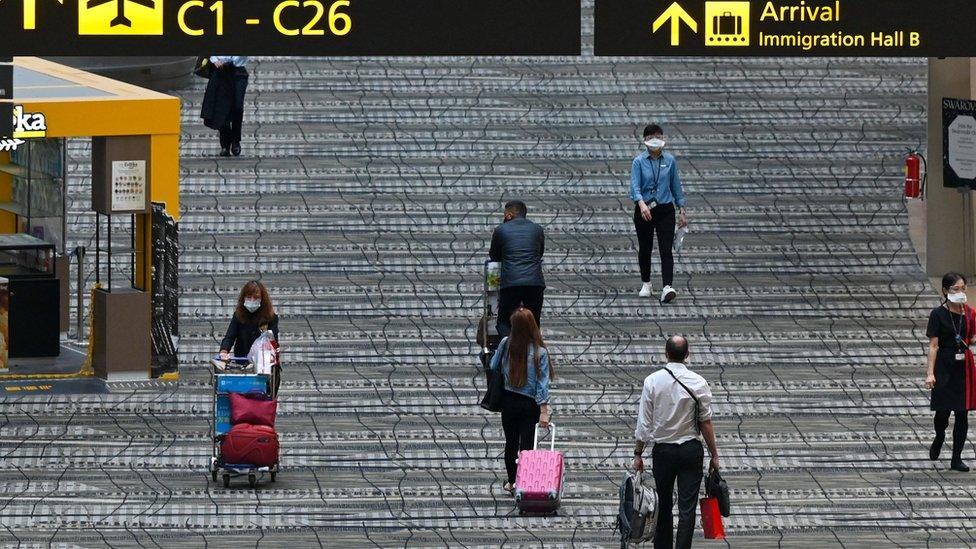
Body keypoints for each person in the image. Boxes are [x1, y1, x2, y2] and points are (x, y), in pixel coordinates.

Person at [632, 336, 719, 549]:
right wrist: (714, 455)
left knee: (663, 503)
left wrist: (638, 453)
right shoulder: (698, 382)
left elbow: (644, 423)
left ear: (666, 353)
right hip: (691, 450)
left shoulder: (652, 381)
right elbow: (705, 422)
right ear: (687, 355)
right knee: (687, 508)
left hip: (664, 451)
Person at [489, 307, 553, 494]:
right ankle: (524, 482)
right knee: (527, 445)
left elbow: (493, 365)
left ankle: (511, 481)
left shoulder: (505, 343)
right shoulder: (540, 352)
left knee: (511, 442)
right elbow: (542, 384)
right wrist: (543, 411)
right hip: (529, 404)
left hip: (508, 401)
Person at [630, 124, 688, 303]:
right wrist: (641, 204)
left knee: (666, 248)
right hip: (645, 209)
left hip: (665, 209)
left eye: (659, 136)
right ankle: (646, 283)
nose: (656, 139)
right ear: (646, 140)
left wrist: (681, 209)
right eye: (652, 136)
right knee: (645, 247)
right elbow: (635, 187)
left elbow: (675, 185)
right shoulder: (639, 161)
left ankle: (667, 287)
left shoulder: (669, 160)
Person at [925, 272, 976, 472]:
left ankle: (956, 458)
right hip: (944, 365)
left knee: (962, 414)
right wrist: (930, 373)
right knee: (943, 413)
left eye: (963, 288)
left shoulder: (970, 313)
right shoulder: (938, 314)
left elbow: (971, 338)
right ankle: (939, 436)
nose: (961, 293)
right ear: (946, 291)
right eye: (956, 289)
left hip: (964, 367)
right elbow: (933, 345)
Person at [489, 200, 545, 338]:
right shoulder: (537, 229)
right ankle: (534, 352)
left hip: (511, 284)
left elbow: (494, 256)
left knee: (503, 322)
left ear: (508, 215)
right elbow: (540, 253)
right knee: (533, 322)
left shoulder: (501, 230)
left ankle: (508, 351)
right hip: (535, 283)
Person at [219, 280, 280, 391]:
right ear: (244, 298)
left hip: (264, 368)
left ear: (262, 299)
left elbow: (273, 342)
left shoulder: (270, 318)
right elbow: (230, 336)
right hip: (242, 365)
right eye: (249, 297)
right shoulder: (238, 316)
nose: (252, 301)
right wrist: (224, 351)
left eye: (256, 298)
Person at [200, 56, 249, 157]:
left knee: (238, 106)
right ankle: (225, 145)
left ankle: (235, 139)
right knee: (222, 107)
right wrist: (214, 60)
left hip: (238, 72)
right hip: (221, 71)